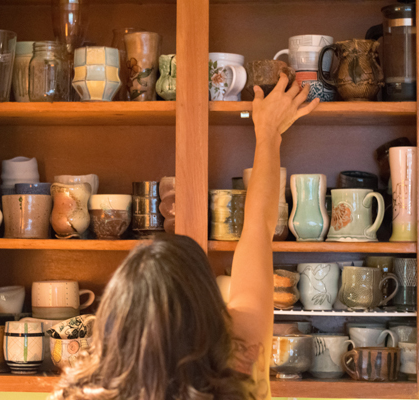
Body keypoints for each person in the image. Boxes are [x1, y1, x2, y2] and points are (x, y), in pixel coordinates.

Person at [49, 75, 320, 400]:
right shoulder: (242, 362)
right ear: (207, 303)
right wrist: (268, 135)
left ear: (116, 318)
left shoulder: (87, 392)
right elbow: (258, 228)